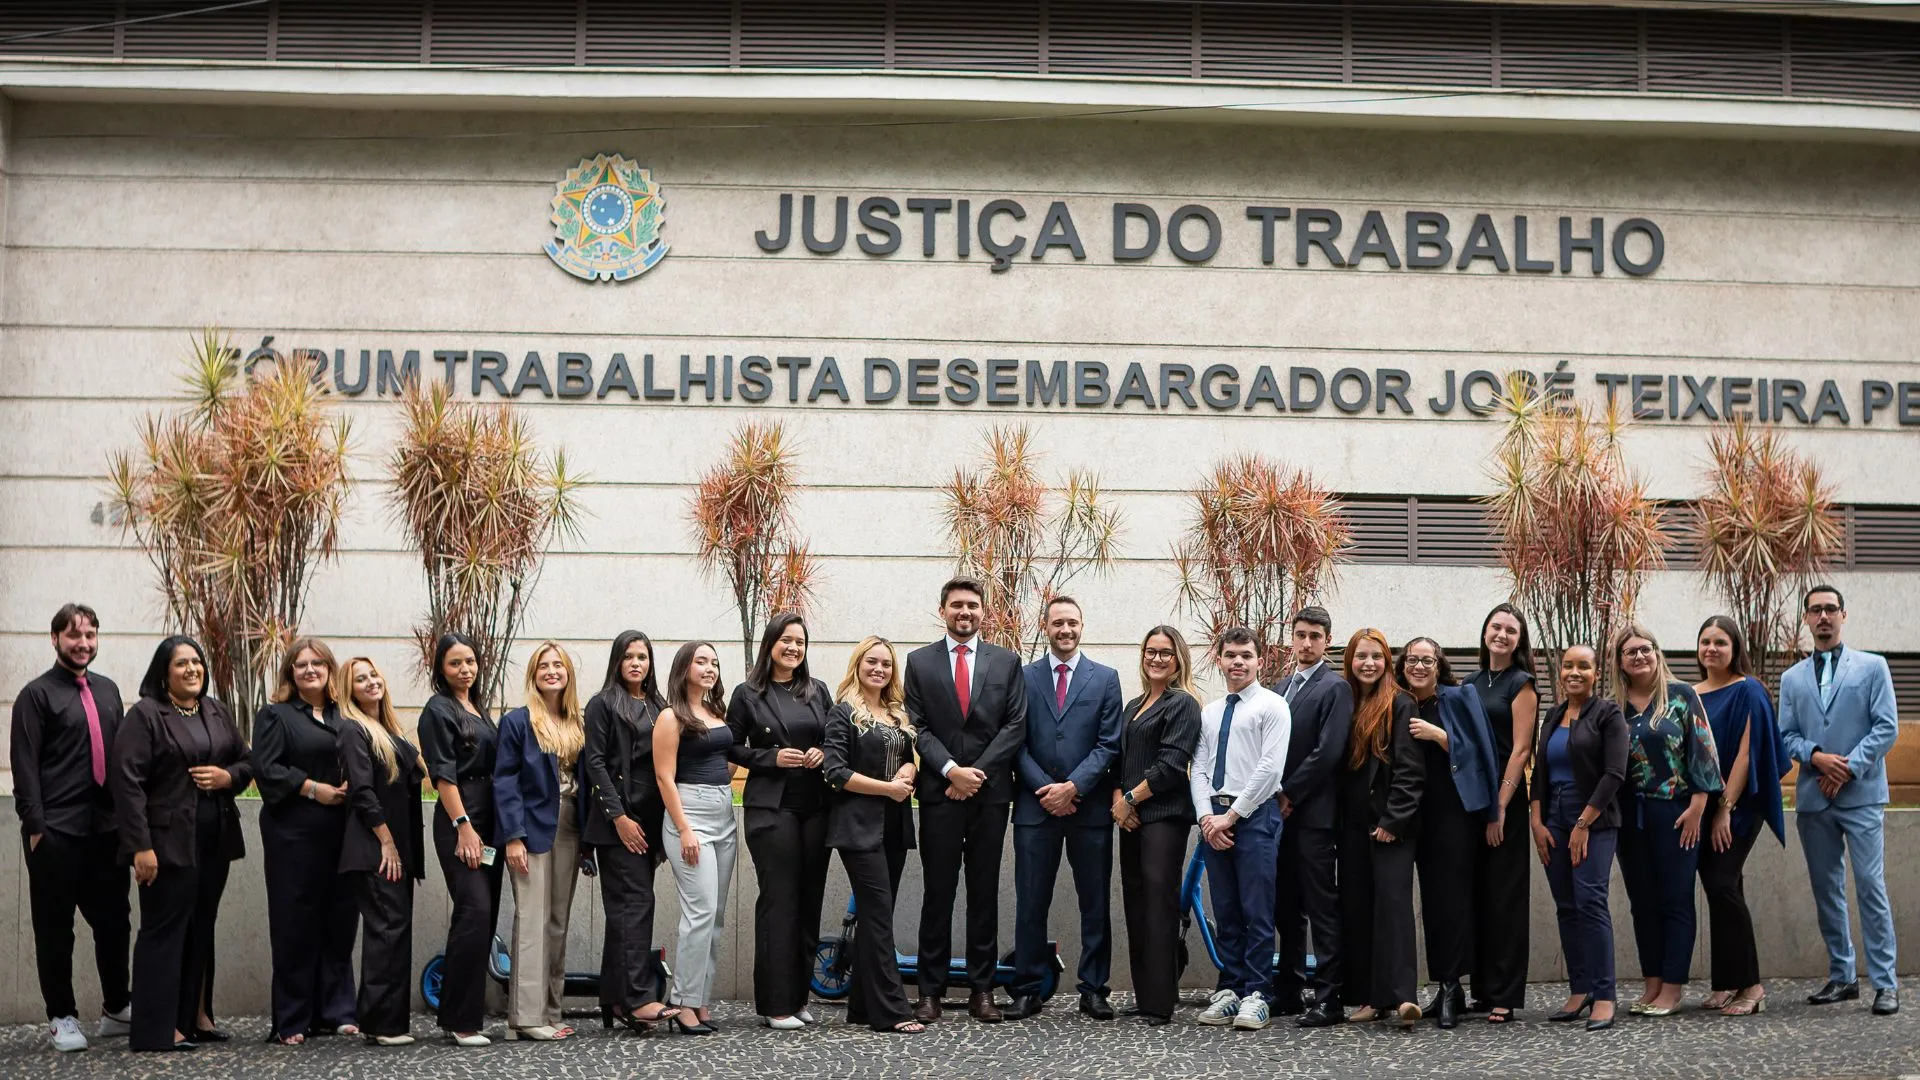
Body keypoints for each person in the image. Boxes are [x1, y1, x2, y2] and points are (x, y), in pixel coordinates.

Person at [111, 635, 254, 1052]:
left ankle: (195, 1017)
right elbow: (127, 782)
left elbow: (247, 760)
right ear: (163, 673)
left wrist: (229, 778)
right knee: (164, 930)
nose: (192, 669)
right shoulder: (146, 716)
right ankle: (159, 1029)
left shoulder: (215, 709)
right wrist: (140, 846)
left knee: (200, 925)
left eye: (197, 662)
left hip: (214, 839)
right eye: (181, 664)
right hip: (165, 844)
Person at [905, 577, 1029, 1024]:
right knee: (937, 894)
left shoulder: (1007, 662)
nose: (965, 612)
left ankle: (982, 990)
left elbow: (1015, 725)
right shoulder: (919, 662)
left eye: (973, 606)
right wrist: (949, 771)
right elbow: (917, 725)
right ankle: (929, 992)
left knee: (984, 893)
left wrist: (974, 775)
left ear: (983, 612)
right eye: (957, 605)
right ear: (943, 610)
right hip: (940, 795)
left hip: (990, 797)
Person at [11, 603, 131, 1053]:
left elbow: (119, 758)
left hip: (106, 830)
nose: (83, 643)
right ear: (55, 639)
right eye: (74, 635)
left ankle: (117, 1008)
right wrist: (36, 825)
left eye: (91, 635)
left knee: (115, 922)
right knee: (56, 928)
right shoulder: (36, 695)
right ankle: (61, 1016)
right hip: (56, 832)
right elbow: (24, 765)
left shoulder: (109, 691)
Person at [1778, 585, 1901, 1016]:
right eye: (1816, 611)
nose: (1824, 617)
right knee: (1826, 889)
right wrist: (1815, 757)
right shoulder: (1791, 678)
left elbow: (1887, 728)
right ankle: (1843, 976)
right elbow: (1786, 735)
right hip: (1814, 798)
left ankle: (1886, 984)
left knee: (1871, 886)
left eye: (1831, 609)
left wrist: (1846, 767)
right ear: (1806, 620)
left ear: (1843, 616)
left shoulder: (1873, 667)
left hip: (1861, 795)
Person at [1008, 596, 1124, 1022]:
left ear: (1082, 625)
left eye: (1072, 622)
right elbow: (1014, 741)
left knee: (1094, 903)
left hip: (1088, 810)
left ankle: (1094, 990)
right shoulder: (1023, 677)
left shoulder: (1106, 678)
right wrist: (1047, 790)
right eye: (1058, 623)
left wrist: (1073, 787)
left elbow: (1110, 743)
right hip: (1035, 810)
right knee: (1030, 902)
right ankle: (1026, 988)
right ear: (1046, 625)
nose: (1066, 630)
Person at [727, 613, 833, 1030]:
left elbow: (832, 737)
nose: (793, 648)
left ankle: (799, 996)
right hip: (772, 809)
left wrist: (823, 752)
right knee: (779, 902)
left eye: (800, 642)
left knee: (809, 902)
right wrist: (770, 757)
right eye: (786, 640)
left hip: (817, 808)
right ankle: (775, 1004)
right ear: (771, 643)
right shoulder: (748, 693)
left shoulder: (817, 690)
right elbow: (730, 746)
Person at [250, 637, 359, 1045]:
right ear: (290, 673)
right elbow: (267, 769)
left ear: (330, 670)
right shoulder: (276, 715)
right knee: (295, 924)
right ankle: (292, 1019)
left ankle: (338, 1010)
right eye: (301, 665)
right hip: (293, 833)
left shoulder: (344, 715)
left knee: (340, 919)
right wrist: (315, 789)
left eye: (318, 664)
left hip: (342, 833)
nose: (310, 670)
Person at [1611, 624, 1721, 1016]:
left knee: (1675, 899)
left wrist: (1697, 807)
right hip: (1628, 816)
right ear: (1619, 662)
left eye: (1645, 649)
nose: (1639, 656)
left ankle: (1672, 989)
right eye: (1630, 652)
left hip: (1676, 812)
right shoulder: (1614, 707)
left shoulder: (1681, 696)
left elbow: (1704, 751)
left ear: (1657, 653)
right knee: (1642, 902)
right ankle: (1652, 983)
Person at [821, 637, 927, 1034]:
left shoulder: (898, 713)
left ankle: (862, 1006)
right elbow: (835, 772)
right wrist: (887, 788)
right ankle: (892, 1012)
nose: (879, 669)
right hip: (858, 827)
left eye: (886, 663)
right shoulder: (842, 712)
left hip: (895, 828)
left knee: (873, 916)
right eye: (872, 662)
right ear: (858, 665)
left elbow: (909, 760)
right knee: (879, 916)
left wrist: (909, 772)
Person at [1189, 626, 1291, 1031]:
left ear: (1259, 661)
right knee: (1227, 911)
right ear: (1220, 659)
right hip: (1213, 819)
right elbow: (1197, 767)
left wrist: (1231, 818)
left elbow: (1270, 769)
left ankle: (1257, 993)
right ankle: (1231, 988)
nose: (1237, 662)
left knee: (1257, 911)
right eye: (1230, 655)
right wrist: (1206, 818)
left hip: (1254, 818)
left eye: (1246, 655)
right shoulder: (1210, 712)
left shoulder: (1273, 706)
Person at [582, 631, 680, 1034]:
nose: (636, 663)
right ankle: (638, 999)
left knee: (628, 910)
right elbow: (596, 763)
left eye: (643, 656)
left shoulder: (659, 706)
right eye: (628, 657)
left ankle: (615, 998)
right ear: (617, 663)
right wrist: (618, 818)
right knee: (633, 907)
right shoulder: (603, 704)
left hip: (651, 824)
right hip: (619, 826)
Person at [1400, 637, 1498, 1029]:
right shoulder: (1401, 702)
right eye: (1412, 660)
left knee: (1453, 902)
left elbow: (1483, 750)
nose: (1419, 666)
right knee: (1432, 903)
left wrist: (1441, 737)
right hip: (1413, 816)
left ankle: (1452, 986)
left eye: (1427, 660)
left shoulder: (1459, 697)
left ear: (1439, 665)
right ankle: (1444, 986)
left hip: (1454, 815)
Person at [1692, 615, 1787, 1017]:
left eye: (1721, 642)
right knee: (1721, 889)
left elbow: (1748, 754)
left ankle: (1751, 985)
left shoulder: (1749, 690)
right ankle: (1726, 982)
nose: (1712, 648)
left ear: (1735, 649)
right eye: (1705, 641)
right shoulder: (1691, 693)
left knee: (1722, 883)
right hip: (1700, 804)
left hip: (1738, 805)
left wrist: (1724, 811)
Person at [1530, 644, 1626, 1033]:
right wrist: (1537, 823)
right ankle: (1580, 988)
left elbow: (1614, 774)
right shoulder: (1552, 716)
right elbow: (1539, 774)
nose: (1574, 672)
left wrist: (1583, 825)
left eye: (1582, 666)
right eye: (1568, 665)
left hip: (1594, 822)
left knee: (1590, 903)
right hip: (1552, 819)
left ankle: (1604, 995)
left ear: (1595, 672)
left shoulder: (1608, 714)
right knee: (1566, 906)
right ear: (1559, 672)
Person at [494, 640, 587, 1041]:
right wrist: (513, 837)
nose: (552, 671)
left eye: (558, 665)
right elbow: (505, 780)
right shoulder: (518, 722)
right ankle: (526, 1017)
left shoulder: (576, 722)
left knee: (556, 923)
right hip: (530, 828)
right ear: (533, 675)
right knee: (531, 920)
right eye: (543, 666)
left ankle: (549, 1010)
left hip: (569, 826)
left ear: (568, 673)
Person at [334, 656, 426, 1047]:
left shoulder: (389, 730)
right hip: (375, 850)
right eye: (360, 679)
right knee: (386, 932)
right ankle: (381, 1024)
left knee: (394, 931)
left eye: (373, 674)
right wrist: (386, 841)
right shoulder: (353, 729)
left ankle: (386, 1022)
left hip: (397, 849)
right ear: (347, 689)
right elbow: (362, 792)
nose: (371, 682)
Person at [1334, 629, 1424, 1030]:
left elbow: (1410, 771)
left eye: (1376, 657)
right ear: (1350, 661)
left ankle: (1404, 996)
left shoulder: (1401, 703)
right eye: (1360, 656)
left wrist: (1393, 821)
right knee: (1357, 910)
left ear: (1388, 662)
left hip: (1390, 826)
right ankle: (1371, 998)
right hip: (1351, 826)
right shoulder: (1347, 701)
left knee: (1393, 909)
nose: (1368, 663)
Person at [415, 632, 502, 1046]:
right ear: (441, 669)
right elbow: (443, 775)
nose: (464, 669)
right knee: (474, 910)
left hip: (490, 819)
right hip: (461, 815)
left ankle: (460, 1012)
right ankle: (460, 1020)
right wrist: (463, 825)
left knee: (484, 914)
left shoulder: (478, 709)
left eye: (469, 661)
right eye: (454, 663)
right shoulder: (438, 709)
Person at [1113, 625, 1201, 1027]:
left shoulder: (1182, 704)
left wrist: (1130, 799)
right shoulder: (1133, 705)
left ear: (1178, 657)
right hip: (1130, 818)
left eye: (1166, 652)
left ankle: (1162, 1002)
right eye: (1151, 651)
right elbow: (1121, 760)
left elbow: (1170, 766)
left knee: (1159, 905)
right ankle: (1144, 995)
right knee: (1136, 903)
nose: (1157, 659)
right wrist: (1120, 801)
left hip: (1164, 816)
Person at [1271, 606, 1353, 1027]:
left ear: (1327, 640)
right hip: (1278, 817)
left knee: (1321, 907)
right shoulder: (1281, 686)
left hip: (1314, 817)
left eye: (1315, 636)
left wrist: (1289, 793)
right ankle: (1288, 989)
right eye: (1300, 635)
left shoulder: (1335, 688)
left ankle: (1329, 998)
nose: (1306, 643)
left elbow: (1328, 752)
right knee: (1286, 908)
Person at [655, 640, 739, 1035]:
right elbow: (664, 777)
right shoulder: (672, 716)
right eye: (701, 661)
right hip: (690, 817)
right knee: (700, 912)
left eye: (714, 663)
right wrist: (685, 828)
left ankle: (701, 1000)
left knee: (716, 916)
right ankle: (682, 1003)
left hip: (724, 813)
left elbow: (725, 757)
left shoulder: (715, 711)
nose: (709, 668)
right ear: (684, 668)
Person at [1466, 604, 1538, 1023]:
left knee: (1505, 898)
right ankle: (1483, 987)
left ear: (1519, 640)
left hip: (1503, 802)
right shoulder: (1472, 681)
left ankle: (1506, 995)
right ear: (1485, 631)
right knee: (1476, 894)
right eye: (1496, 626)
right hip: (1472, 802)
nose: (1502, 635)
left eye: (1511, 630)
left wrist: (1500, 806)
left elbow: (1521, 749)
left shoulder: (1521, 683)